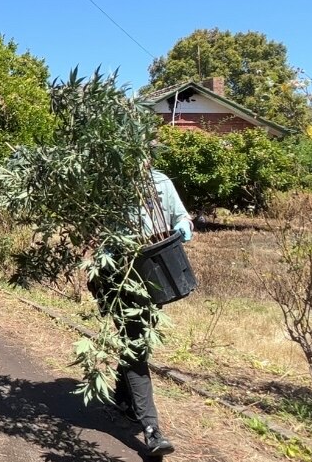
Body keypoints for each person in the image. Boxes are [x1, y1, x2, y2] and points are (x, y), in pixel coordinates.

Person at [97, 165, 192, 457]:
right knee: (136, 346)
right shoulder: (107, 184)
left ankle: (123, 400)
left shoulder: (160, 182)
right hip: (118, 278)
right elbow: (93, 229)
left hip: (155, 275)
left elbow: (182, 216)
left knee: (136, 344)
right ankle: (152, 430)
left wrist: (185, 227)